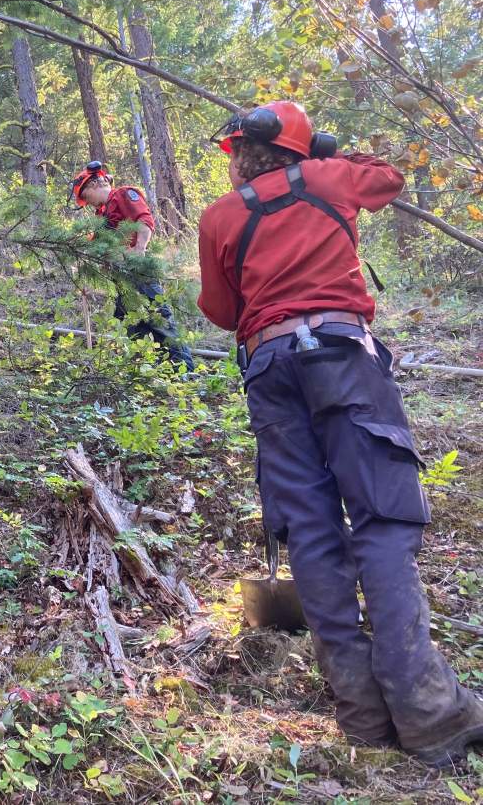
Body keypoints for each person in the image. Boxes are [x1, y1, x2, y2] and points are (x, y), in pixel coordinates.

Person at [197, 99, 483, 766]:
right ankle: (427, 709)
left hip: (269, 368)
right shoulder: (328, 178)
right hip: (343, 356)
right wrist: (330, 156)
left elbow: (218, 310)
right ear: (304, 149)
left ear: (241, 153)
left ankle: (360, 713)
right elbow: (387, 178)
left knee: (311, 529)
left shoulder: (220, 215)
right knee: (381, 517)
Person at [71, 160, 195, 370]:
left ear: (93, 185)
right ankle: (153, 373)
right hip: (121, 280)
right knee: (134, 327)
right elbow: (98, 251)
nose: (87, 202)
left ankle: (185, 373)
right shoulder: (101, 215)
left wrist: (139, 250)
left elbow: (144, 220)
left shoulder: (123, 195)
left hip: (138, 273)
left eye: (86, 197)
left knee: (160, 322)